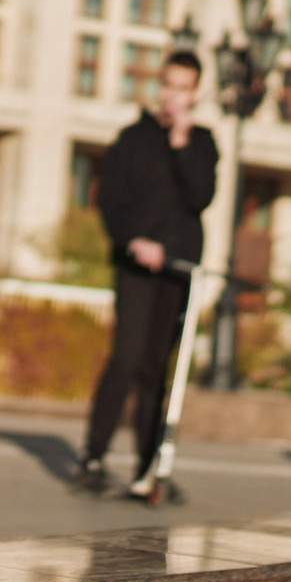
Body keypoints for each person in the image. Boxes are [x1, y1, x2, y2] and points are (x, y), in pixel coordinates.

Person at [75, 51, 218, 495]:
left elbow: (201, 197)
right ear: (161, 85)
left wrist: (181, 143)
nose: (174, 95)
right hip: (136, 267)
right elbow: (110, 200)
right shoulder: (132, 138)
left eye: (183, 88)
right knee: (127, 357)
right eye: (169, 85)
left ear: (196, 93)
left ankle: (148, 466)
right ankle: (94, 458)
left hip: (177, 270)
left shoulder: (202, 143)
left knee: (157, 368)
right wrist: (134, 239)